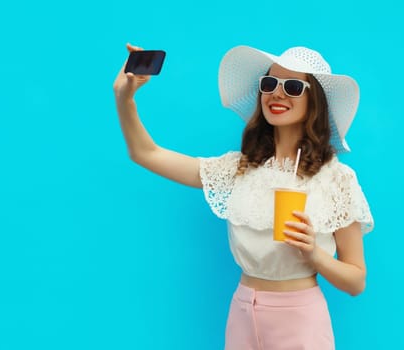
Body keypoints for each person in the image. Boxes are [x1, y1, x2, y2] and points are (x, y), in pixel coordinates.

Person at [113, 43, 374, 350]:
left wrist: (313, 252)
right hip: (242, 312)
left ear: (314, 101)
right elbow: (146, 153)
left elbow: (356, 281)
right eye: (269, 84)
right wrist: (124, 98)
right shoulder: (239, 168)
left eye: (292, 86)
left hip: (301, 319)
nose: (277, 94)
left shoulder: (336, 179)